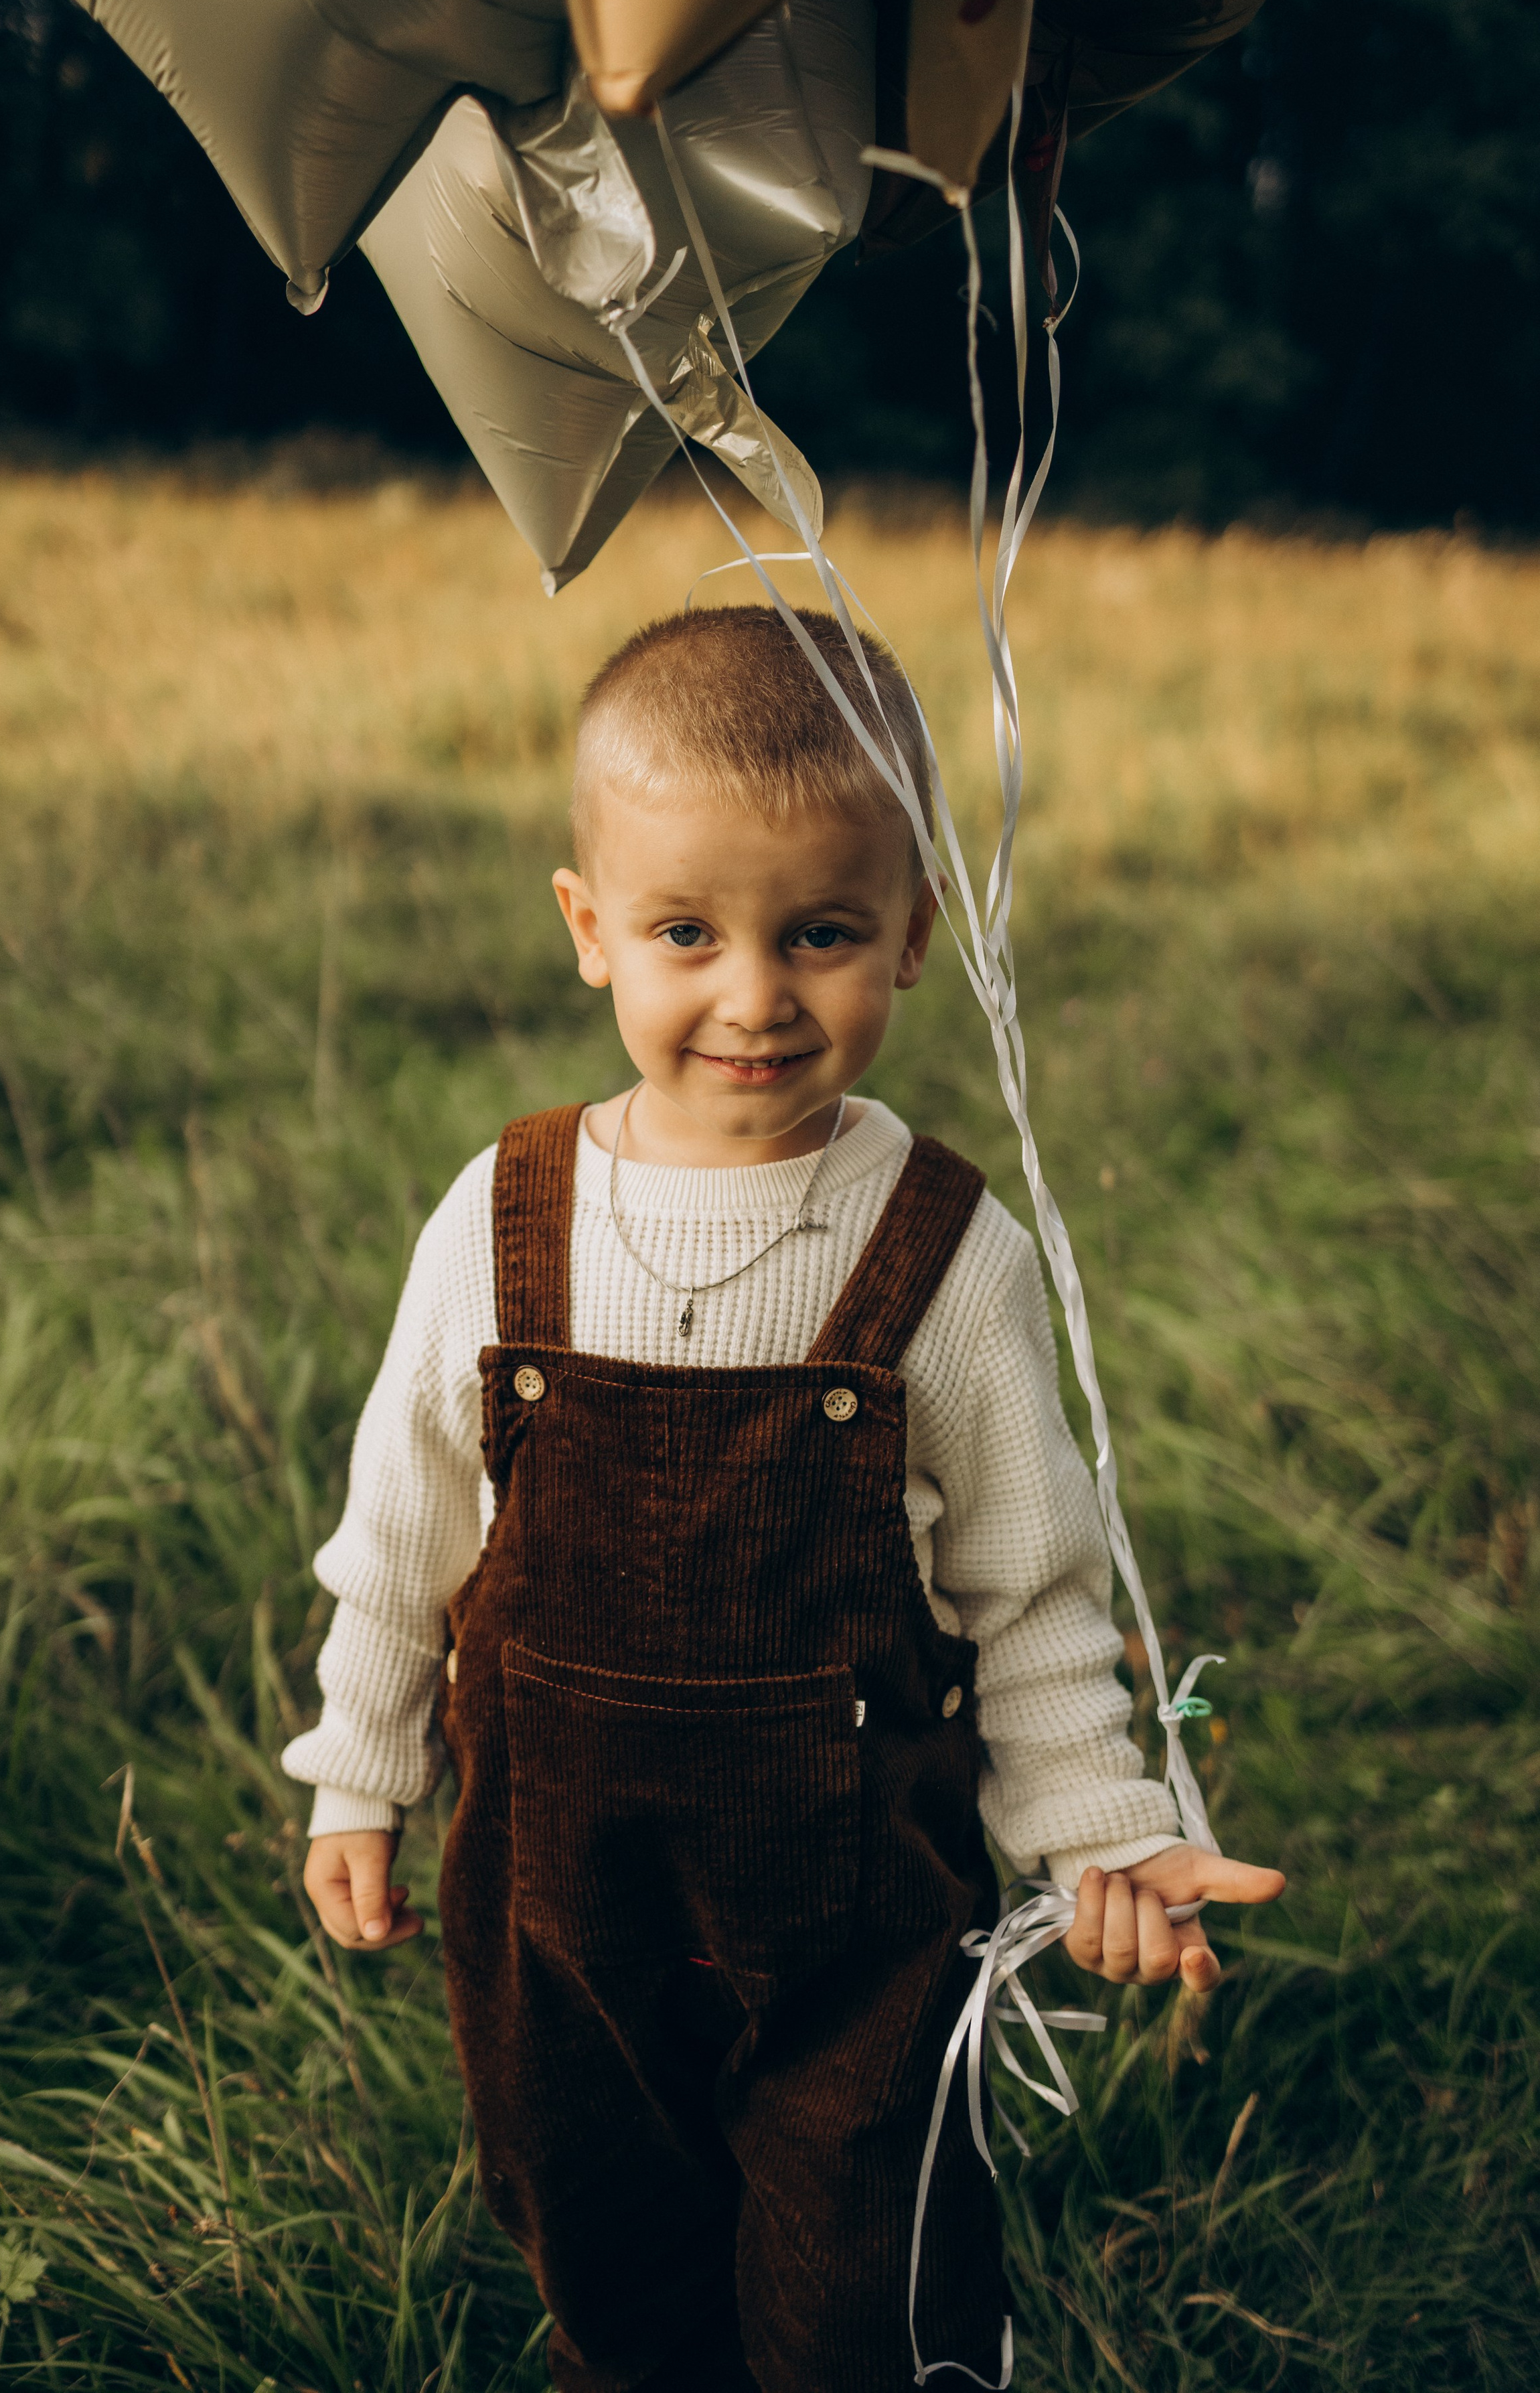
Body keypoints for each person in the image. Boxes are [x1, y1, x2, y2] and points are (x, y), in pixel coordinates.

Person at [281, 604, 1285, 2393]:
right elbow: (406, 1532)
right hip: (556, 1894)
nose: (755, 995)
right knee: (609, 2261)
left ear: (913, 933)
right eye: (688, 932)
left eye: (820, 932)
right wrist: (362, 1773)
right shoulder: (503, 1218)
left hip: (852, 1912)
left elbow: (1028, 1591)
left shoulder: (944, 1252)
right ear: (590, 929)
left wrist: (1097, 1824)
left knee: (858, 2285)